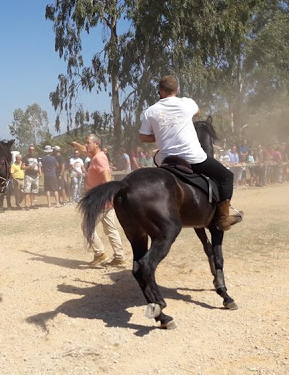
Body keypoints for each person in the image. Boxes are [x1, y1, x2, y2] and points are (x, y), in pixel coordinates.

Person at [139, 75, 243, 231]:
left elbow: (143, 137)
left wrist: (162, 133)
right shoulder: (187, 103)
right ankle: (223, 218)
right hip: (193, 157)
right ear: (177, 89)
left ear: (160, 91)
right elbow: (198, 112)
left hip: (165, 159)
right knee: (226, 176)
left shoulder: (150, 112)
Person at [71, 134, 125, 268]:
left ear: (96, 144)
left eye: (88, 143)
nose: (86, 145)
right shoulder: (95, 156)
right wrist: (76, 144)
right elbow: (84, 150)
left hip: (100, 200)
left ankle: (100, 254)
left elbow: (107, 180)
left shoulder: (99, 159)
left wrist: (108, 197)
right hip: (105, 200)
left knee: (87, 227)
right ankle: (119, 257)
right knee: (111, 229)